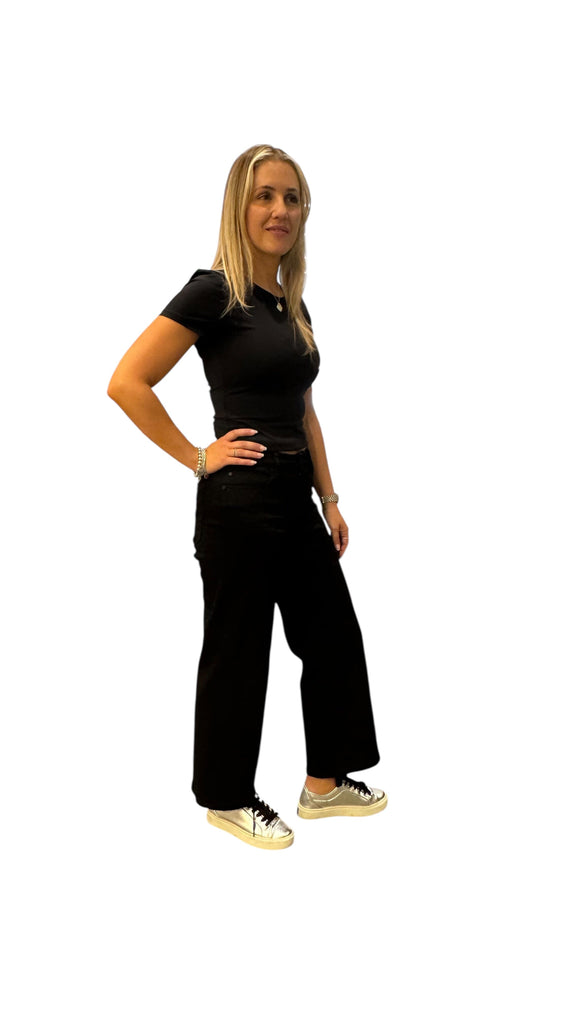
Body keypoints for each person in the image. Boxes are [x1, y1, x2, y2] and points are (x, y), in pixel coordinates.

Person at [107, 144, 387, 851]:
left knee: (333, 636)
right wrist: (199, 457)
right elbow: (127, 382)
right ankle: (227, 797)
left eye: (292, 198)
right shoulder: (214, 291)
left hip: (296, 497)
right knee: (239, 650)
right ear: (240, 205)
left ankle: (323, 783)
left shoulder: (291, 304)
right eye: (265, 195)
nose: (280, 210)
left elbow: (305, 409)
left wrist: (330, 497)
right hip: (239, 501)